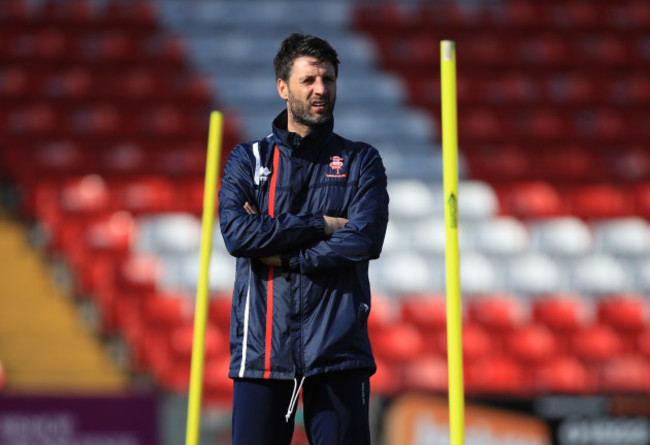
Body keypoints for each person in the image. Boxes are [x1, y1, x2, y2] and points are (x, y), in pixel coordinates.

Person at [218, 32, 389, 445]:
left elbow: (365, 238)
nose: (321, 89)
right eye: (309, 80)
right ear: (283, 88)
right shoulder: (248, 159)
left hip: (337, 353)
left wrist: (289, 257)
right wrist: (320, 224)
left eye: (328, 80)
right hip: (262, 353)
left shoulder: (360, 160)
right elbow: (238, 234)